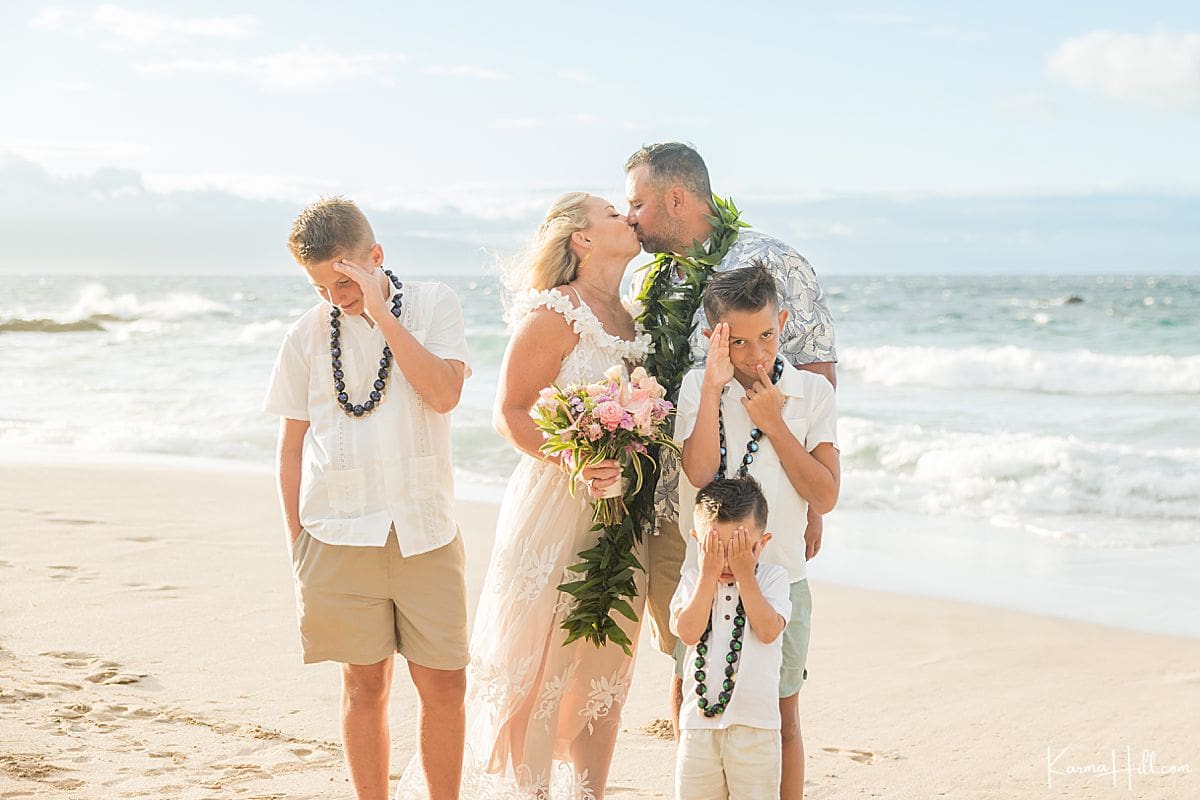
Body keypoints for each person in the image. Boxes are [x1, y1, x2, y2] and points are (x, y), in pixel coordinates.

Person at [624, 142, 837, 799]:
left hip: (767, 524)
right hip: (683, 520)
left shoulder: (771, 262)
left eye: (637, 203)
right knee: (688, 680)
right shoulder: (652, 280)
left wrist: (802, 508)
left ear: (678, 199)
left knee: (777, 702)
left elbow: (817, 371)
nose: (630, 218)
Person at [264, 197, 471, 800]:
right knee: (364, 685)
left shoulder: (434, 304)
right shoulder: (305, 336)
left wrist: (381, 314)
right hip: (337, 535)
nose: (335, 296)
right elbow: (291, 446)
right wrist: (296, 542)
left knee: (445, 687)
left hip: (425, 531)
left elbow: (443, 395)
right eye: (319, 285)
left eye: (344, 279)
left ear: (374, 257)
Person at [456, 192, 650, 799]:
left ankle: (588, 792)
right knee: (539, 661)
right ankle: (530, 793)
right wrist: (578, 457)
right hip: (554, 505)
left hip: (619, 512)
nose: (629, 216)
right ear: (583, 240)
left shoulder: (634, 322)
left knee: (603, 667)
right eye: (613, 213)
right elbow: (509, 412)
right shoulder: (554, 313)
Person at [673, 264, 840, 800]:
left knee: (782, 710)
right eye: (738, 341)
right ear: (713, 337)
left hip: (780, 575)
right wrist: (713, 390)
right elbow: (699, 473)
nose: (755, 353)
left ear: (784, 321)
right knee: (695, 699)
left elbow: (825, 495)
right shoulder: (699, 384)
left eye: (767, 335)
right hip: (704, 579)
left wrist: (774, 424)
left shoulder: (810, 393)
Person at [670, 478, 792, 800]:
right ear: (699, 543)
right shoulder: (694, 580)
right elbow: (688, 632)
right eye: (716, 549)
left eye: (738, 549)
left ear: (762, 543)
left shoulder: (771, 579)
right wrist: (708, 574)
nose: (727, 561)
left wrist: (745, 575)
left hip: (756, 728)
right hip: (699, 726)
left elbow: (767, 631)